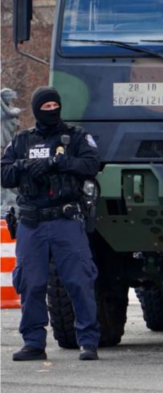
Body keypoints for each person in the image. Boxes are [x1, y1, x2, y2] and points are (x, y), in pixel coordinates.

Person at [0, 87, 101, 362]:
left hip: (65, 220)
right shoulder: (21, 140)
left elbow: (92, 163)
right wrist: (23, 166)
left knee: (79, 281)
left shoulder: (75, 137)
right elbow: (4, 173)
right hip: (32, 223)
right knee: (30, 283)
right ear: (35, 110)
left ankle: (89, 342)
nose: (51, 110)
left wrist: (60, 163)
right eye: (45, 107)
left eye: (55, 105)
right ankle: (33, 342)